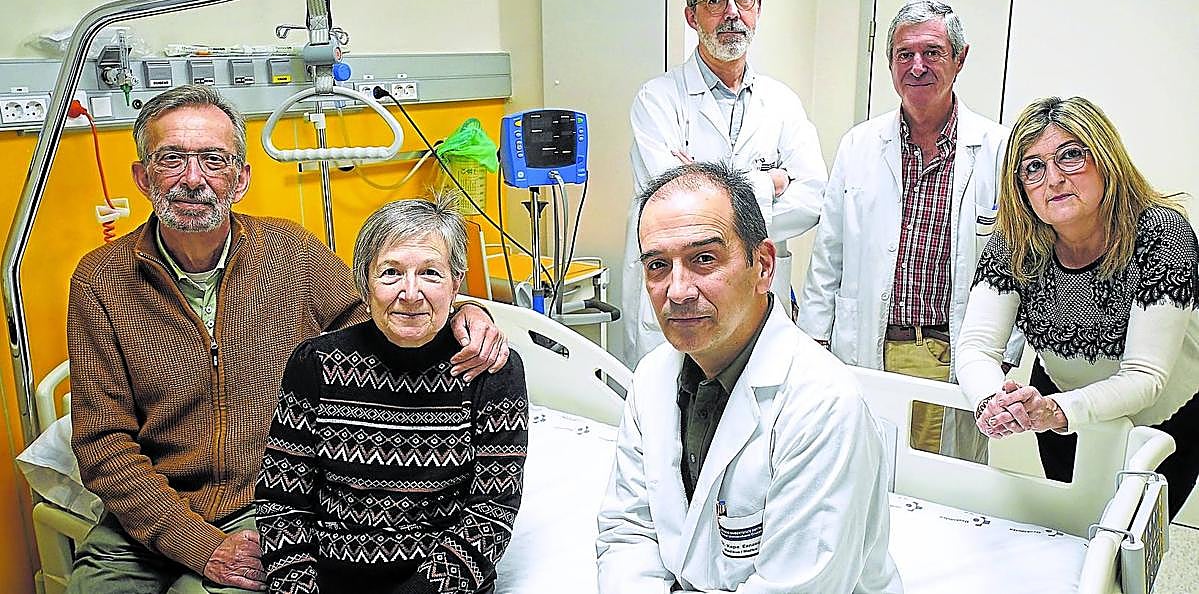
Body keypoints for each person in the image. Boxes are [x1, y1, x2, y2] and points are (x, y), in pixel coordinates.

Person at [66, 85, 509, 594]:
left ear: (241, 179)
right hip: (144, 516)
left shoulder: (290, 252)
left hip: (261, 505)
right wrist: (195, 544)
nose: (194, 179)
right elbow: (102, 443)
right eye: (172, 159)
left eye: (214, 160)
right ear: (143, 177)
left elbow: (379, 318)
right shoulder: (101, 279)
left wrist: (459, 312)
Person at [597, 162, 901, 593]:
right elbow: (628, 534)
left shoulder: (821, 404)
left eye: (704, 259)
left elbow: (796, 585)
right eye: (658, 266)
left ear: (762, 266)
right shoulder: (651, 379)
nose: (678, 291)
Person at [256, 197, 527, 594]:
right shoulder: (315, 363)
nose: (410, 292)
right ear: (365, 284)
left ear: (456, 284)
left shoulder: (490, 369)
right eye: (390, 272)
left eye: (431, 273)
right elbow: (283, 502)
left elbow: (491, 516)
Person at [798, 0, 1022, 463]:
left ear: (960, 59)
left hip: (950, 350)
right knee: (858, 472)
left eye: (932, 53)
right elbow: (829, 254)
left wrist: (1005, 352)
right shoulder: (859, 145)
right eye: (904, 54)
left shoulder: (998, 150)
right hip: (866, 343)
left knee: (938, 485)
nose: (916, 66)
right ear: (890, 64)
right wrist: (814, 340)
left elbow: (1022, 261)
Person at [958, 96, 1199, 518]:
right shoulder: (1015, 245)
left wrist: (1056, 411)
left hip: (1162, 420)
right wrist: (993, 400)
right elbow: (977, 346)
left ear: (1105, 158)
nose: (1052, 179)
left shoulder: (1162, 235)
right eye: (1033, 167)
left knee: (1127, 550)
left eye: (1070, 156)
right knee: (1073, 529)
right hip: (1060, 406)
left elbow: (1145, 377)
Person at [621, 0, 826, 366]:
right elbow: (675, 207)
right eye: (715, 0)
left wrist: (710, 192)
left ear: (758, 8)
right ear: (692, 15)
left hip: (754, 300)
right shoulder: (657, 101)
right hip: (679, 299)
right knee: (672, 413)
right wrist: (769, 182)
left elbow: (814, 198)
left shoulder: (782, 102)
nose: (732, 13)